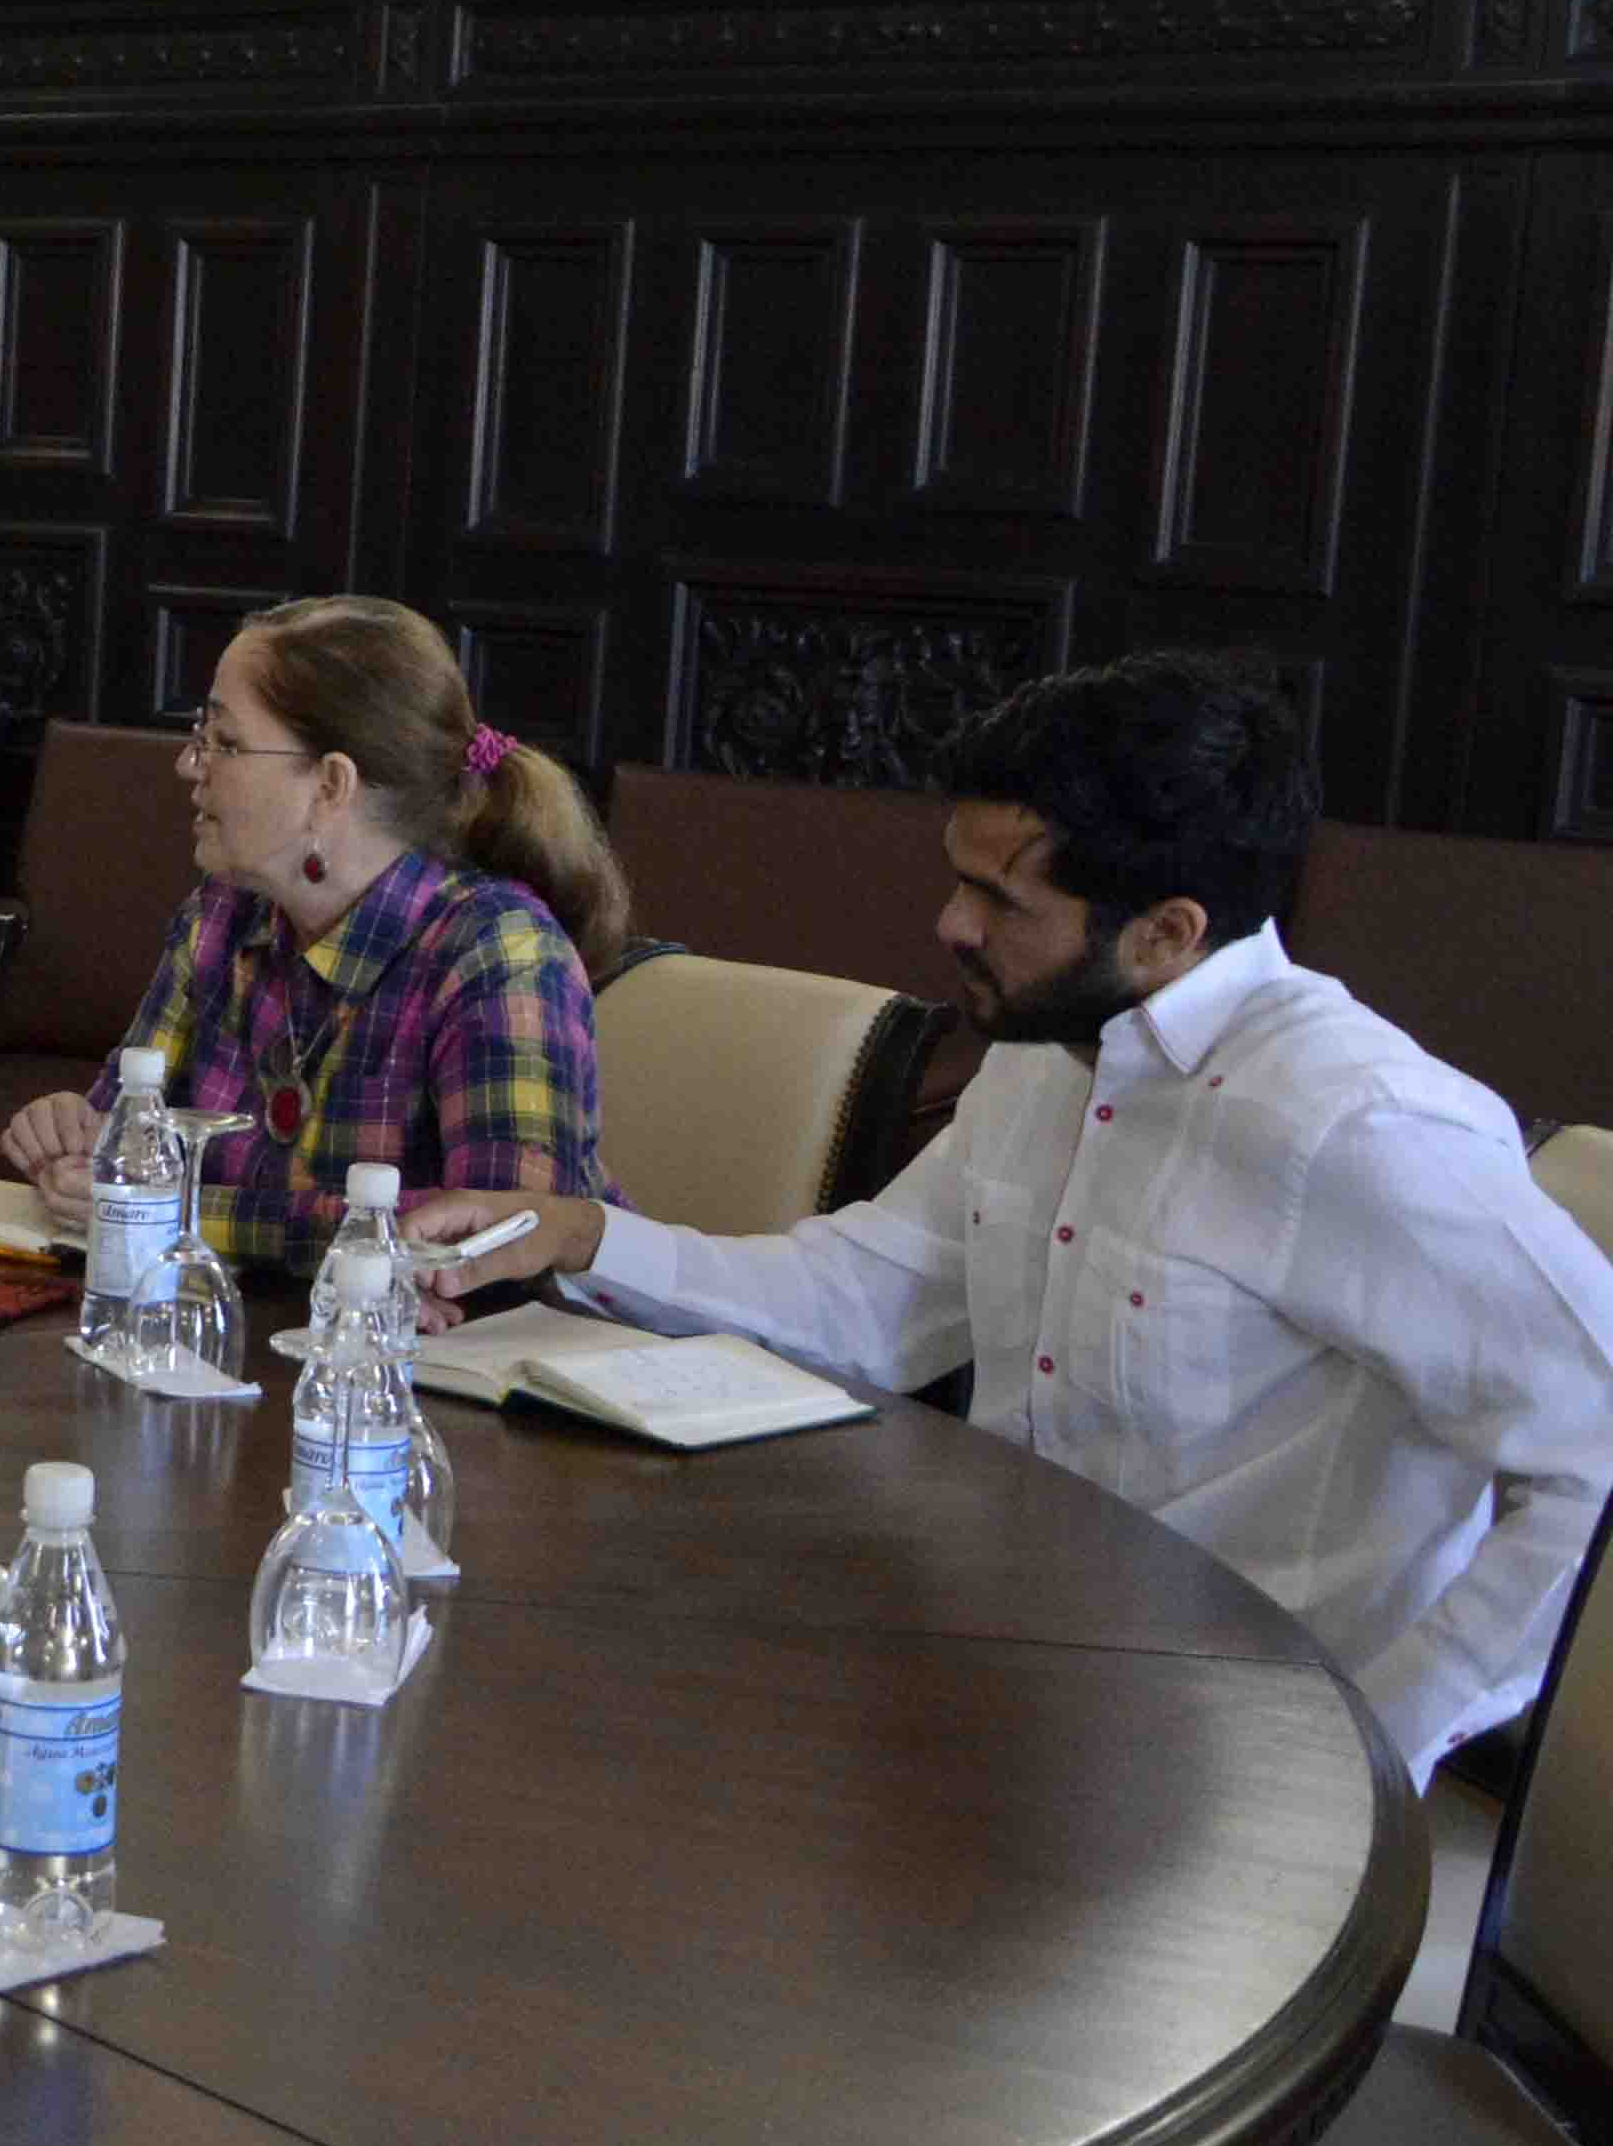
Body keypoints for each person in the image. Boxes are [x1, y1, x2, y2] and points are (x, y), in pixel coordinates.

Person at [411, 656, 1613, 1783]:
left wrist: (1382, 1752)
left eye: (997, 896)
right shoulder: (1049, 1052)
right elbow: (874, 1301)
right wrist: (579, 1234)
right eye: (956, 876)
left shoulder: (1356, 1128)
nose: (948, 925)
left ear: (1168, 931)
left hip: (1222, 1763)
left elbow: (1593, 1446)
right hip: (998, 1692)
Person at [0, 593, 623, 1269]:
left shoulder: (500, 950)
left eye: (225, 744)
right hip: (243, 1331)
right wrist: (73, 1143)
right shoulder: (224, 915)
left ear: (331, 783)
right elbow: (126, 1146)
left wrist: (180, 1212)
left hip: (433, 1361)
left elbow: (500, 1240)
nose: (188, 765)